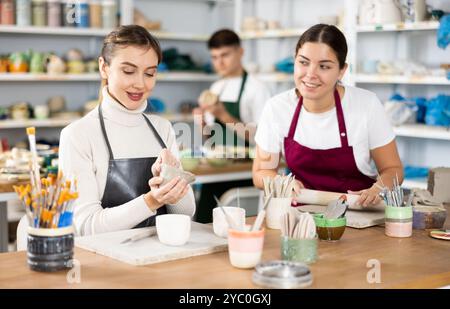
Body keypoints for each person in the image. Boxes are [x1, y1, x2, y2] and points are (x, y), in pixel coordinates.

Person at [59, 25, 195, 236]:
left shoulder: (162, 128)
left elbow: (186, 213)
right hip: (105, 263)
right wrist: (152, 200)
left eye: (150, 73)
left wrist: (172, 182)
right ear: (104, 67)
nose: (140, 84)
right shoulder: (78, 135)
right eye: (128, 71)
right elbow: (86, 226)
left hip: (159, 256)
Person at [253, 24, 403, 207]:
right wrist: (281, 183)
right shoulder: (277, 108)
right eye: (303, 62)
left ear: (342, 70)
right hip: (300, 218)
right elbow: (261, 172)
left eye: (324, 66)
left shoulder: (366, 105)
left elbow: (392, 169)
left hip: (356, 216)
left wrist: (378, 189)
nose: (310, 74)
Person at [193, 29, 272, 223]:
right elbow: (211, 138)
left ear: (241, 52)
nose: (219, 62)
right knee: (202, 217)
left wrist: (223, 114)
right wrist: (201, 124)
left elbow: (260, 139)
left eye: (225, 55)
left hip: (244, 170)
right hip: (218, 167)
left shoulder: (257, 89)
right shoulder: (217, 87)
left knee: (211, 217)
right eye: (214, 57)